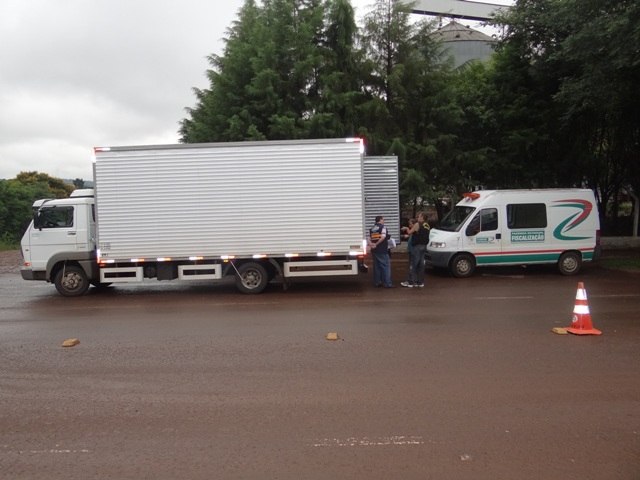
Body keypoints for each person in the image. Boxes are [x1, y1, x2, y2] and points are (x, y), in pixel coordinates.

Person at [401, 212, 430, 288]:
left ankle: (410, 282)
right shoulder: (427, 225)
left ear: (422, 217)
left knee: (413, 264)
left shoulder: (418, 224)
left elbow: (410, 232)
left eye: (419, 216)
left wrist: (407, 228)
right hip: (424, 246)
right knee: (421, 265)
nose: (418, 218)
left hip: (417, 246)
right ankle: (420, 282)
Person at [369, 215, 393, 288]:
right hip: (382, 250)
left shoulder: (372, 228)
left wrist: (371, 244)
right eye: (383, 219)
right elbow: (383, 237)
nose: (384, 221)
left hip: (374, 250)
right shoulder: (383, 227)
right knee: (386, 266)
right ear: (380, 220)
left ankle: (377, 282)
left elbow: (369, 238)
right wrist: (376, 244)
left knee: (377, 267)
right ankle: (387, 283)